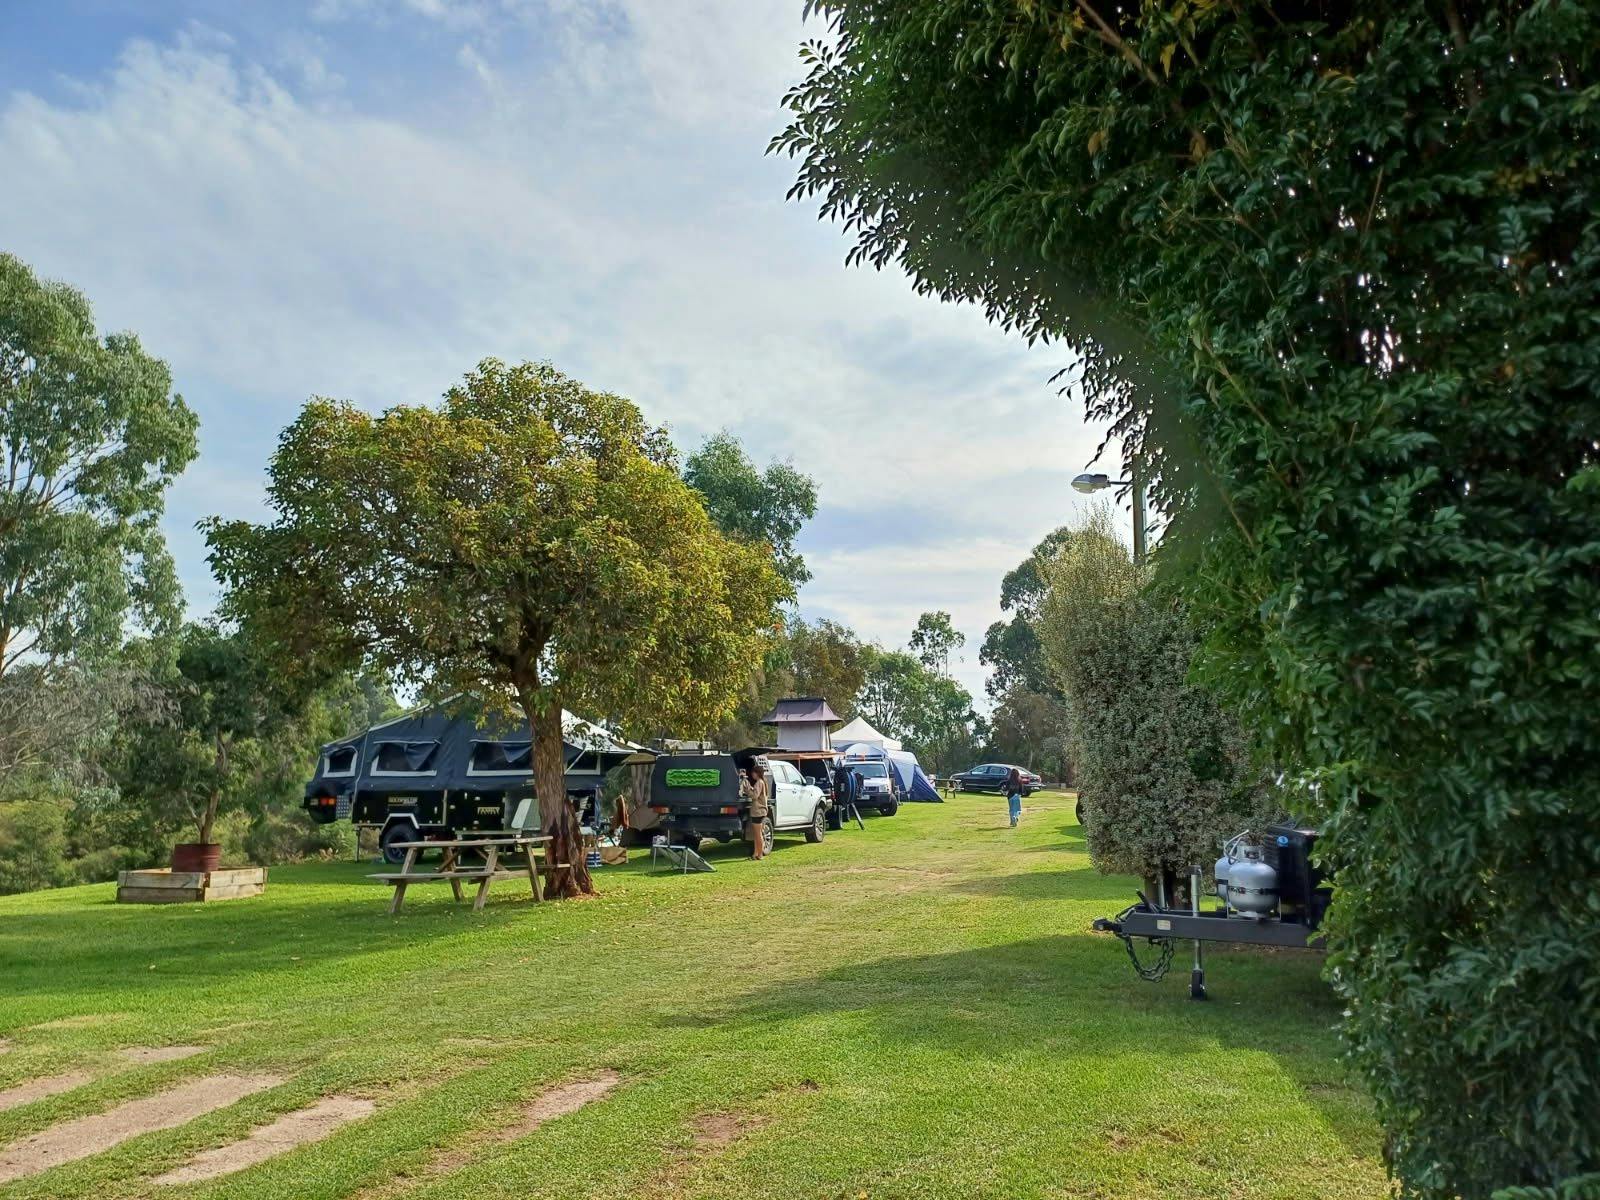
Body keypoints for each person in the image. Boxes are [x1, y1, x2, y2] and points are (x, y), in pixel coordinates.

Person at [743, 760, 771, 860]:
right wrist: (750, 788)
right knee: (757, 834)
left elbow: (755, 795)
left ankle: (760, 854)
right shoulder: (762, 782)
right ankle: (755, 853)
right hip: (761, 811)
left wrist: (747, 790)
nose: (752, 775)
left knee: (758, 834)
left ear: (757, 773)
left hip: (758, 812)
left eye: (753, 773)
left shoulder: (759, 782)